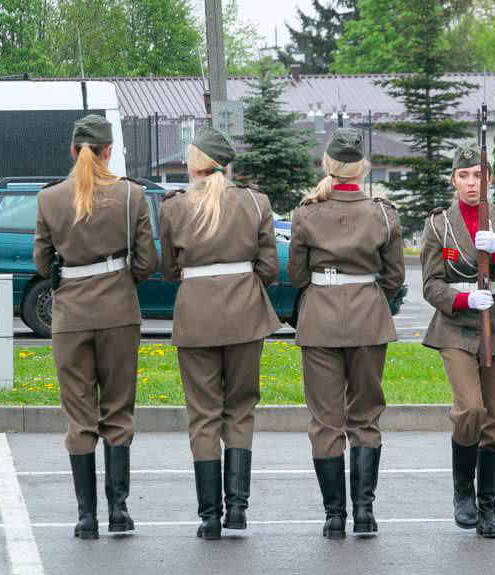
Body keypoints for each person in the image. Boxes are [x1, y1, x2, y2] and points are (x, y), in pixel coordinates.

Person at [34, 114, 157, 539]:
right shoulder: (131, 195)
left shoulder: (49, 198)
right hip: (118, 311)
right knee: (118, 411)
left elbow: (42, 263)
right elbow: (147, 261)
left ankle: (86, 518)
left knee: (79, 416)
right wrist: (121, 280)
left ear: (73, 151)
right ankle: (119, 511)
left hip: (71, 315)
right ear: (108, 151)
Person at [159, 128, 281, 540]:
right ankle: (238, 508)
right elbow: (269, 267)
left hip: (196, 314)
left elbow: (168, 268)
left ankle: (210, 516)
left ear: (194, 163)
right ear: (225, 165)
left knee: (204, 414)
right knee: (240, 409)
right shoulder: (255, 202)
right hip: (245, 311)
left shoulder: (174, 206)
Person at [287, 128, 405, 539]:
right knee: (366, 416)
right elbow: (394, 276)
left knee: (325, 421)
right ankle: (365, 513)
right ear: (362, 168)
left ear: (328, 166)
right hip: (369, 317)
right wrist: (367, 296)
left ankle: (334, 516)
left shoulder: (306, 212)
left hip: (320, 316)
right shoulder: (383, 214)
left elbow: (297, 274)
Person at [420, 143, 495, 539]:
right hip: (456, 324)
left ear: (490, 179)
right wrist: (463, 299)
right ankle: (463, 491)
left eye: (479, 176)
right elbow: (431, 285)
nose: (472, 183)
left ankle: (489, 508)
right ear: (453, 179)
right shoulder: (439, 224)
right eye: (464, 176)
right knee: (470, 409)